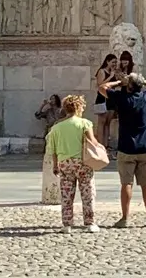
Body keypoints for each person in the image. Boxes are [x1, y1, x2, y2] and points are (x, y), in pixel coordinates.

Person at [102, 67, 146, 228]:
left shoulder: (122, 98)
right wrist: (143, 81)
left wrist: (119, 82)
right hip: (145, 147)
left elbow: (102, 88)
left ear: (128, 86)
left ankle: (125, 218)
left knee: (126, 184)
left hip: (126, 148)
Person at [44, 91, 99, 232]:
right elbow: (92, 142)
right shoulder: (85, 123)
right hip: (82, 162)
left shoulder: (56, 128)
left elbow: (53, 149)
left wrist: (55, 165)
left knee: (67, 194)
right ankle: (90, 222)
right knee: (87, 192)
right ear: (79, 108)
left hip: (64, 163)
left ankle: (67, 224)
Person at [93, 54, 120, 149]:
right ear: (107, 61)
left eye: (116, 62)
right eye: (113, 62)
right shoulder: (102, 71)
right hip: (102, 98)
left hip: (111, 98)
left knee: (108, 122)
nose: (114, 64)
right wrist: (110, 77)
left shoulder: (113, 72)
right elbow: (100, 85)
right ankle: (100, 145)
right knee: (102, 122)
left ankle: (106, 144)